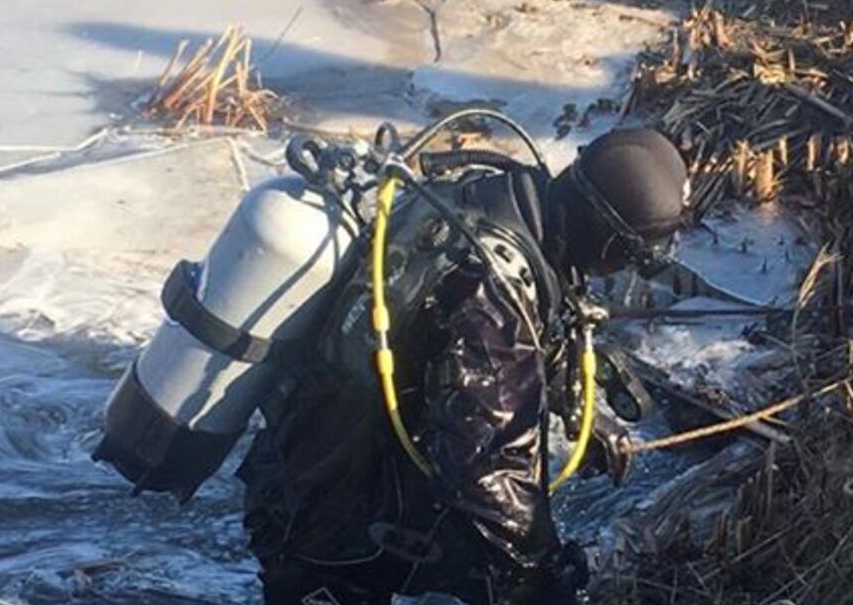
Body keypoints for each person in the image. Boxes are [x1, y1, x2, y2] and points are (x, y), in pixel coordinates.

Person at [237, 127, 690, 605]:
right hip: (329, 527)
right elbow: (487, 470)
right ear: (606, 237)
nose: (629, 268)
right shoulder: (491, 294)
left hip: (323, 476)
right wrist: (542, 572)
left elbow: (526, 339)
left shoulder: (502, 205)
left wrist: (580, 412)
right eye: (636, 255)